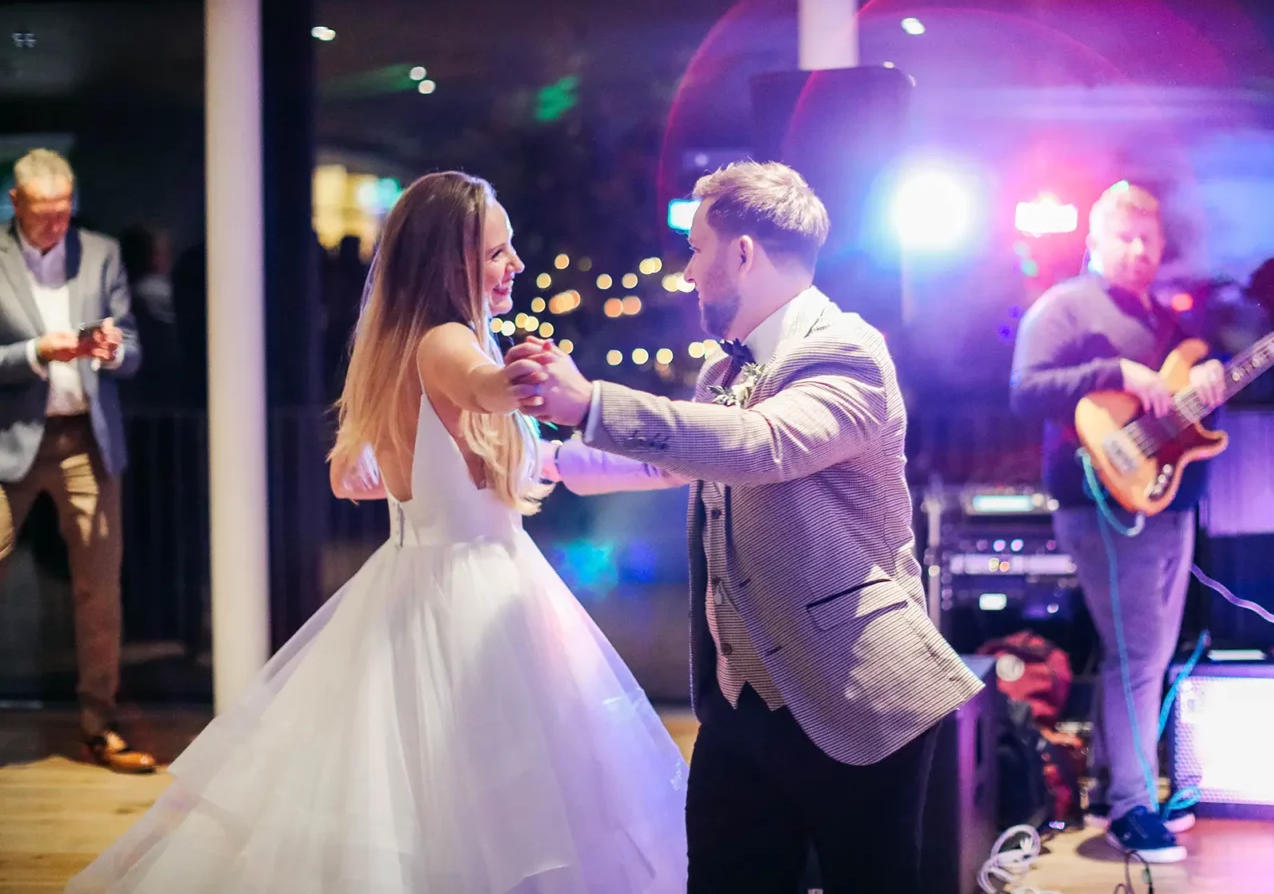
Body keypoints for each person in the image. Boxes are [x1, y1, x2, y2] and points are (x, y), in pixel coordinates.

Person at [68, 171, 687, 893]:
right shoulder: (449, 344)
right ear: (448, 261)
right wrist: (527, 378)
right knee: (498, 801)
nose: (515, 264)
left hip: (432, 581)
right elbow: (487, 389)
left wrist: (663, 461)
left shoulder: (407, 345)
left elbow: (362, 472)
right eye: (497, 252)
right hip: (471, 596)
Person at [514, 160, 983, 894]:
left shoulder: (848, 352)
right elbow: (682, 463)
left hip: (854, 693)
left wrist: (592, 403)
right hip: (741, 708)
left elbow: (760, 447)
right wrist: (539, 458)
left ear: (742, 253)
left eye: (698, 249)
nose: (689, 272)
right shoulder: (721, 375)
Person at [1009, 181, 1224, 864]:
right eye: (1124, 238)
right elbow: (1024, 392)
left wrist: (1208, 384)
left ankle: (1112, 790)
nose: (1138, 251)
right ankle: (1133, 808)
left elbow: (1184, 412)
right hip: (1099, 500)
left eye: (1148, 241)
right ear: (1094, 242)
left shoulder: (1166, 320)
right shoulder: (1064, 307)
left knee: (1144, 655)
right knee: (1137, 655)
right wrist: (1117, 372)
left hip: (1166, 501)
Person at [0, 149, 152, 773]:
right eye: (43, 216)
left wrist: (113, 352)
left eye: (64, 213)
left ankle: (99, 726)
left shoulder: (102, 251)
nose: (56, 227)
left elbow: (135, 349)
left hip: (86, 439)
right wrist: (38, 351)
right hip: (9, 439)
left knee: (99, 588)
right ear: (16, 204)